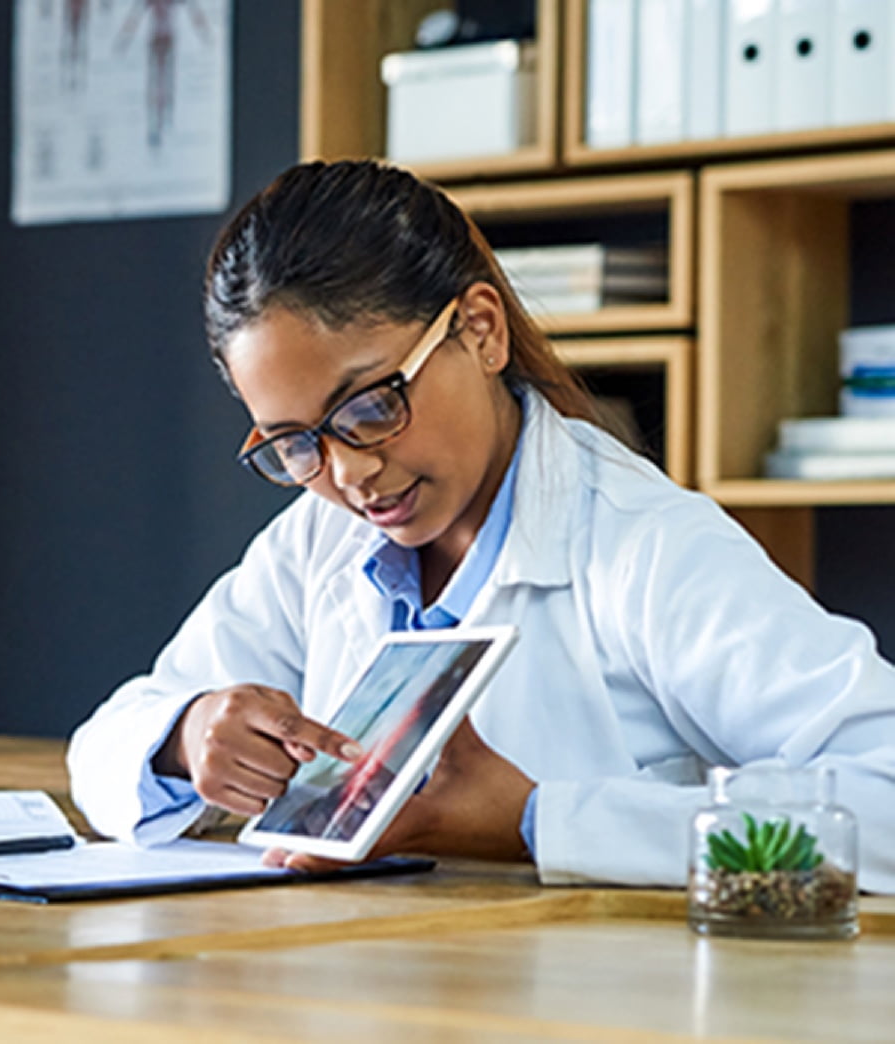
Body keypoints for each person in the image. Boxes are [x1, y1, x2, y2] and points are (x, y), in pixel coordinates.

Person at [67, 159, 895, 890]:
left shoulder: (644, 546)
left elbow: (884, 796)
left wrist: (539, 821)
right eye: (295, 443)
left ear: (480, 330)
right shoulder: (317, 540)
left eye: (369, 406)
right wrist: (186, 737)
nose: (349, 472)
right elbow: (103, 746)